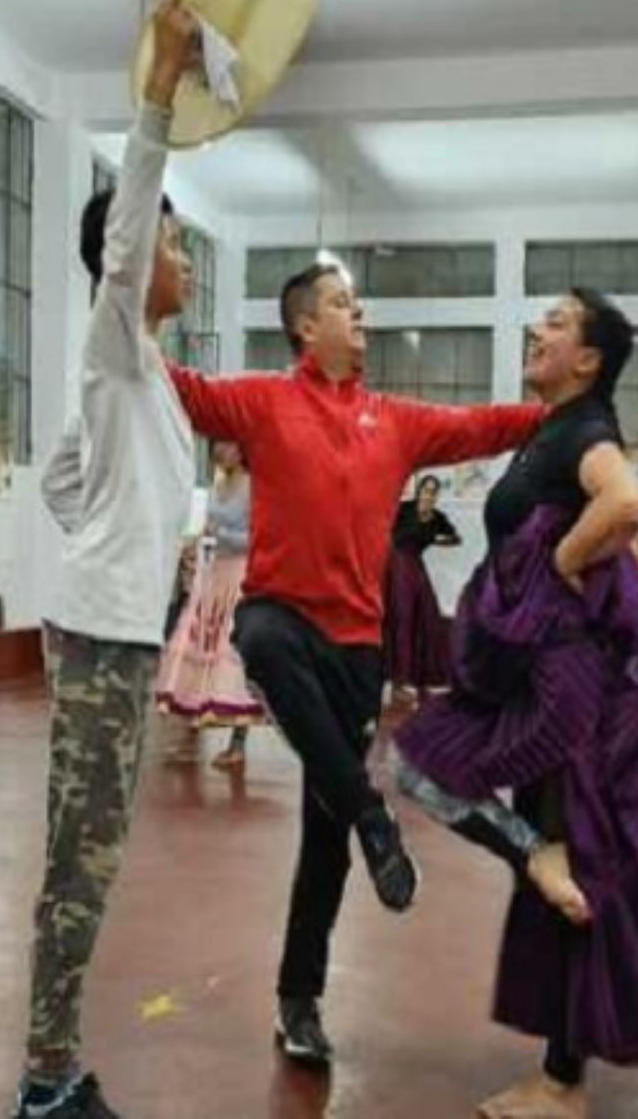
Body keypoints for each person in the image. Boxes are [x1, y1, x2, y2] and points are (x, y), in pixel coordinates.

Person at [167, 264, 544, 1068]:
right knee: (260, 638)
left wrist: (559, 415)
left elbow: (480, 424)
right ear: (306, 327)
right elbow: (183, 389)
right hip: (283, 620)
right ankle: (377, 815)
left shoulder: (394, 420)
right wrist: (128, 311)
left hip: (356, 650)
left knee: (322, 834)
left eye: (357, 302)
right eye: (343, 303)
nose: (359, 312)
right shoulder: (263, 402)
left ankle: (298, 1000)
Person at [392, 292, 638, 1119]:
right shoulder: (546, 428)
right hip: (540, 675)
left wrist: (562, 556)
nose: (538, 330)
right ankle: (558, 1064)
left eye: (556, 324)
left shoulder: (585, 430)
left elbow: (626, 502)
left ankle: (561, 1082)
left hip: (576, 688)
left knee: (557, 842)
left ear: (588, 358)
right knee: (516, 825)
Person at [17, 0, 200, 1119]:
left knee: (94, 857)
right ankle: (43, 1086)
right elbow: (127, 235)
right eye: (173, 239)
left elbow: (60, 476)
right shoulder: (115, 334)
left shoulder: (144, 381)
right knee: (78, 864)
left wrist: (99, 527)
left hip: (121, 631)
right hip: (101, 635)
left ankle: (51, 1067)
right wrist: (159, 95)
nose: (175, 254)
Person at [155, 441, 264, 771]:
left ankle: (238, 744)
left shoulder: (253, 486)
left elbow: (258, 537)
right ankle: (197, 714)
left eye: (226, 446)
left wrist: (222, 535)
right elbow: (209, 525)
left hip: (239, 577)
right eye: (216, 446)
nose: (219, 452)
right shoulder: (218, 481)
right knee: (200, 646)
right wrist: (195, 539)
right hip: (213, 575)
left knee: (233, 657)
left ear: (240, 450)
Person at [383, 473, 462, 696]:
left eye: (433, 492)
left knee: (427, 615)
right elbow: (386, 528)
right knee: (401, 617)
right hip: (396, 564)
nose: (428, 495)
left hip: (414, 564)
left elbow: (456, 538)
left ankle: (418, 677)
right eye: (426, 490)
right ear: (419, 492)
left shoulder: (437, 517)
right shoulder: (406, 509)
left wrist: (437, 540)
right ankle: (397, 678)